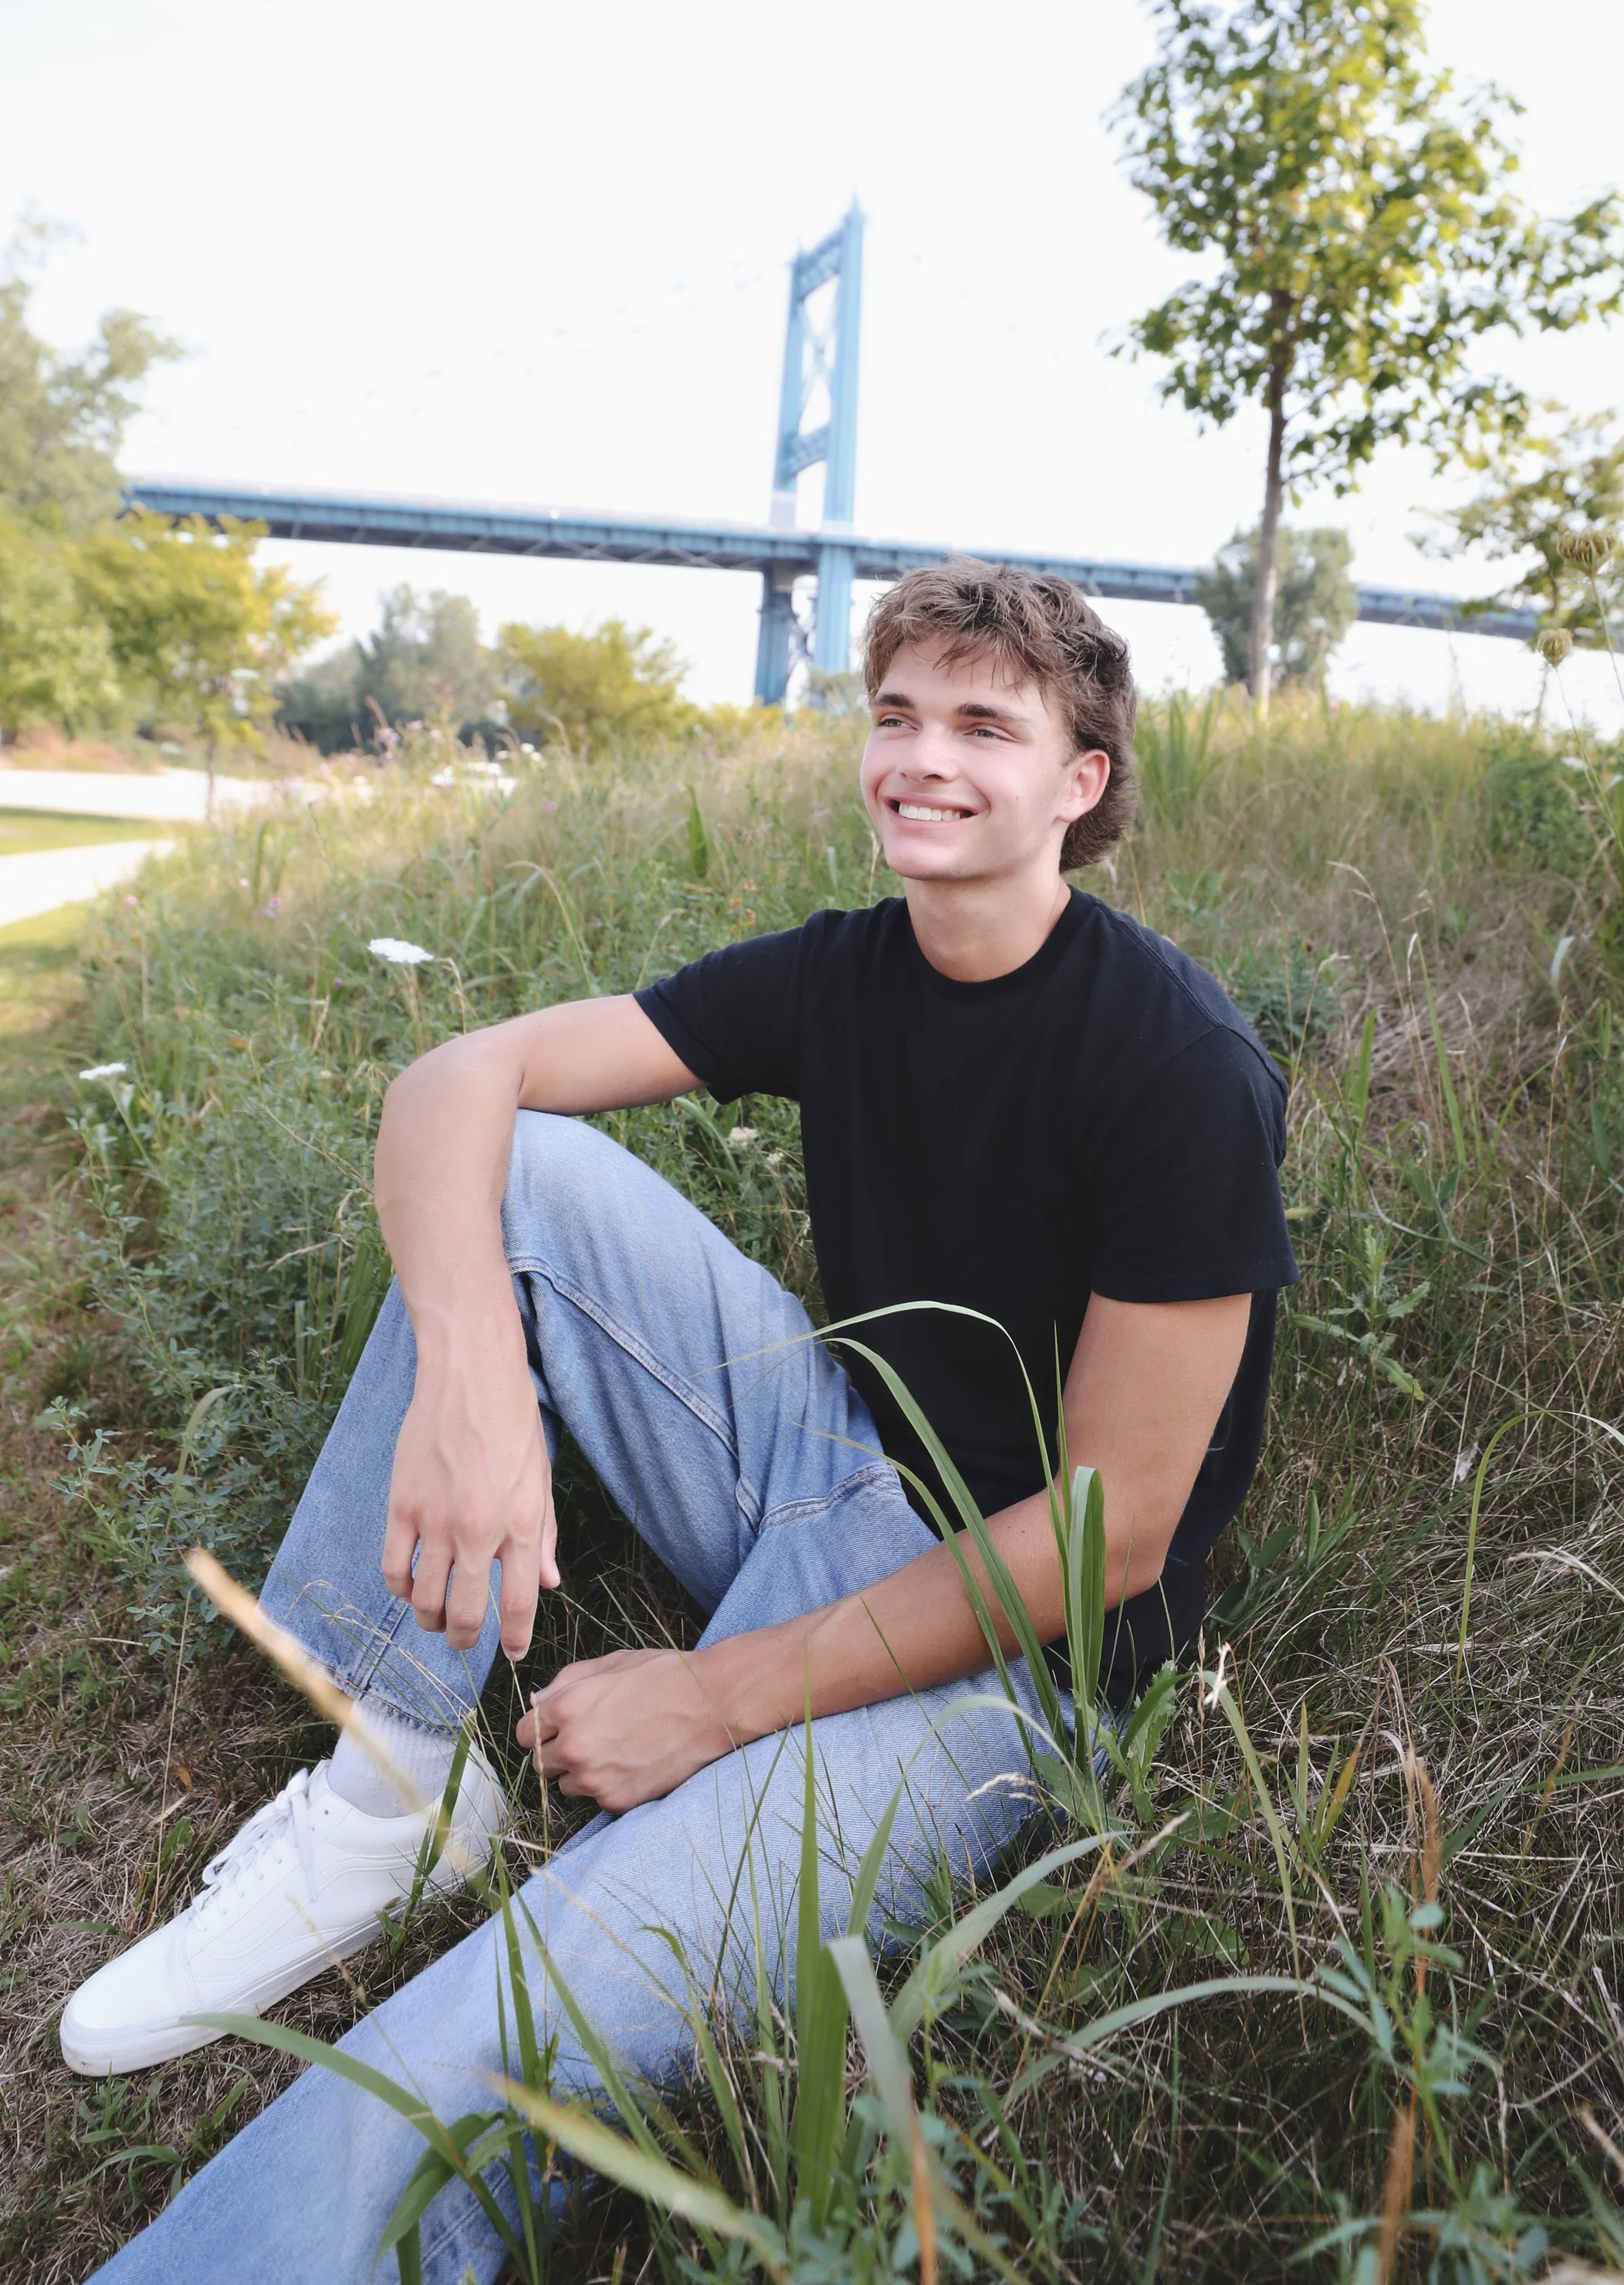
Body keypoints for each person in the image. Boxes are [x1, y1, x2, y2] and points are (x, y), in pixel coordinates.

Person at [66, 562, 1297, 2285]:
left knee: (514, 2006)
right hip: (816, 1474)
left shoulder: (1174, 1067)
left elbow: (1108, 1535)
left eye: (982, 726)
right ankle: (391, 1790)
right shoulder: (848, 973)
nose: (919, 758)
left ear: (1078, 783)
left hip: (1012, 1654)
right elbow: (454, 1084)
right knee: (529, 1176)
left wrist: (711, 1700)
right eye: (895, 715)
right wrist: (478, 1380)